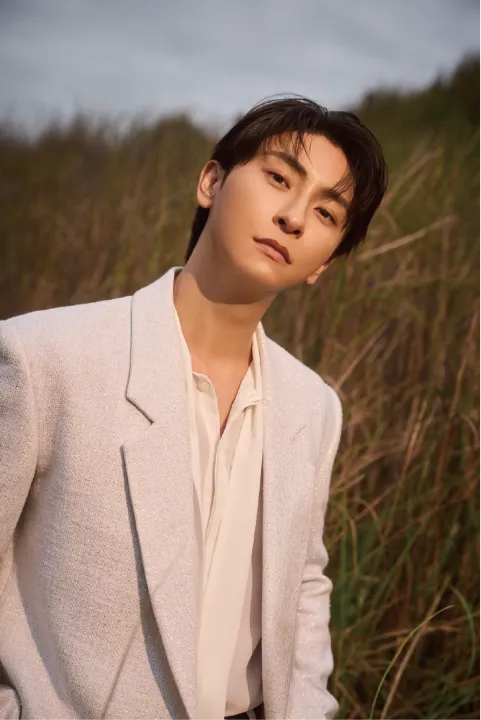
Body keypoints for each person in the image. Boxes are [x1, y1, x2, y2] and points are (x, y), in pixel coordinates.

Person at [0, 96, 387, 720]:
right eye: (278, 178)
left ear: (326, 261)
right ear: (211, 182)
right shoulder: (44, 359)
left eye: (325, 212)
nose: (293, 217)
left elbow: (303, 585)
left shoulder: (314, 407)